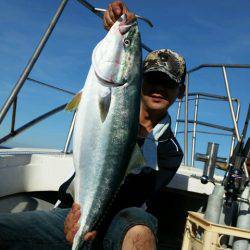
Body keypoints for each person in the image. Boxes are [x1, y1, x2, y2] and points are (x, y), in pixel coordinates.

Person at [0, 1, 186, 249]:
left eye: (168, 83)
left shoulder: (170, 151)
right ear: (139, 79)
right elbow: (113, 58)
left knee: (141, 232)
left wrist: (90, 222)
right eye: (152, 79)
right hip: (73, 211)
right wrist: (117, 26)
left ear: (180, 92)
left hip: (122, 221)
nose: (159, 88)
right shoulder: (105, 92)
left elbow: (134, 195)